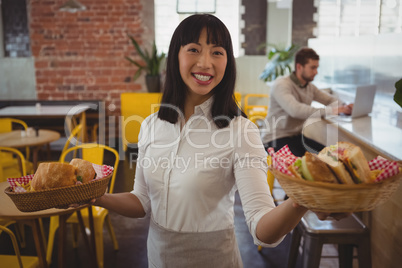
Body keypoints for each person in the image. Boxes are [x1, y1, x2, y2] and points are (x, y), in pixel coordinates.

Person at [94, 15, 346, 267]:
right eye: (194, 49)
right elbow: (142, 201)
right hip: (158, 259)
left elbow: (262, 229)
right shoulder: (150, 126)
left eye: (217, 52)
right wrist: (97, 197)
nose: (205, 62)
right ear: (175, 56)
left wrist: (300, 201)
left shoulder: (241, 131)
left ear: (228, 62)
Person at [260, 47, 353, 157]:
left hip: (296, 137)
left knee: (330, 157)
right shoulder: (281, 85)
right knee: (304, 166)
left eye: (317, 68)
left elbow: (329, 100)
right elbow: (296, 110)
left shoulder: (309, 87)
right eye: (312, 68)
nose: (316, 72)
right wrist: (332, 110)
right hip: (274, 138)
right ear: (299, 67)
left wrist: (345, 106)